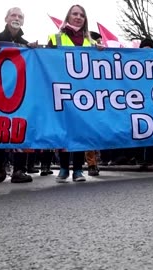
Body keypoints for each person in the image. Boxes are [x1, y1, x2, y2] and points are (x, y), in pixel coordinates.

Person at [47, 4, 103, 182]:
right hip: (62, 91)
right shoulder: (55, 38)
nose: (78, 17)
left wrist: (101, 52)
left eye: (81, 15)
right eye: (75, 14)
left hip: (83, 93)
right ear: (68, 16)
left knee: (80, 131)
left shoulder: (91, 42)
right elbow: (45, 61)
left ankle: (78, 169)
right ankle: (64, 168)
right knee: (63, 131)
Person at [0, 7, 38, 183]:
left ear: (23, 21)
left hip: (20, 93)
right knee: (0, 127)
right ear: (6, 18)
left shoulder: (26, 44)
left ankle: (19, 170)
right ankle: (0, 164)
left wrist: (33, 51)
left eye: (20, 16)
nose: (16, 18)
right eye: (13, 15)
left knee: (19, 128)